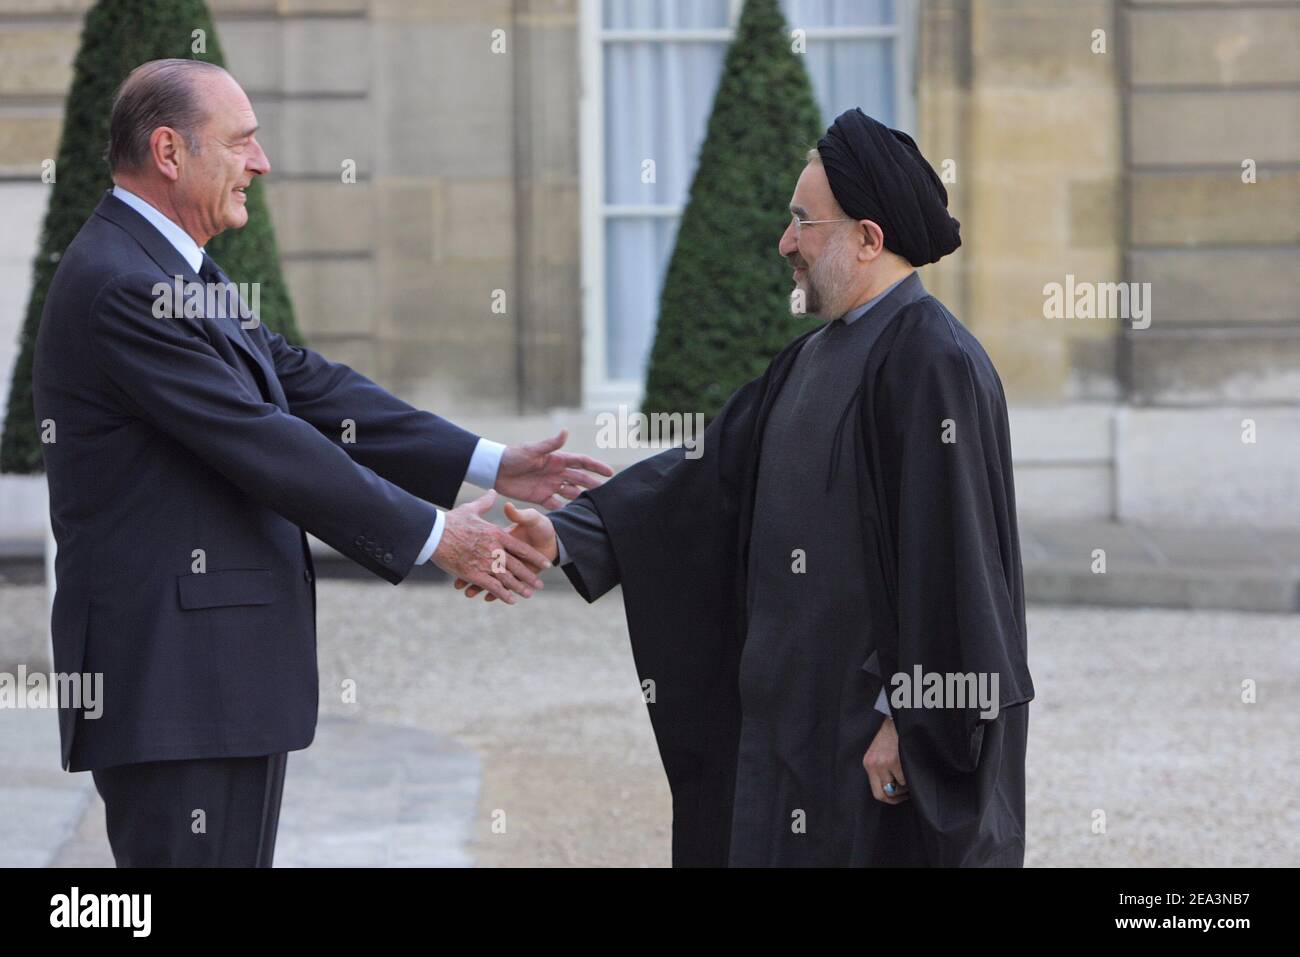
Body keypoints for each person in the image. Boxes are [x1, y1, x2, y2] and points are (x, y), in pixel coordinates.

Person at [32, 58, 609, 867]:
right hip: (179, 685)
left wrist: (487, 461)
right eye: (241, 142)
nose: (260, 163)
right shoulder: (123, 283)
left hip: (213, 682)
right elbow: (261, 439)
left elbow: (301, 383)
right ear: (170, 152)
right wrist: (435, 535)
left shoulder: (167, 265)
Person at [459, 108, 1034, 867]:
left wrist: (911, 716)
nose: (785, 243)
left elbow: (957, 566)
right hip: (785, 731)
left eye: (804, 222)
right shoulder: (809, 361)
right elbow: (701, 481)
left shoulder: (932, 362)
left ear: (869, 236)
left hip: (869, 744)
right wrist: (568, 533)